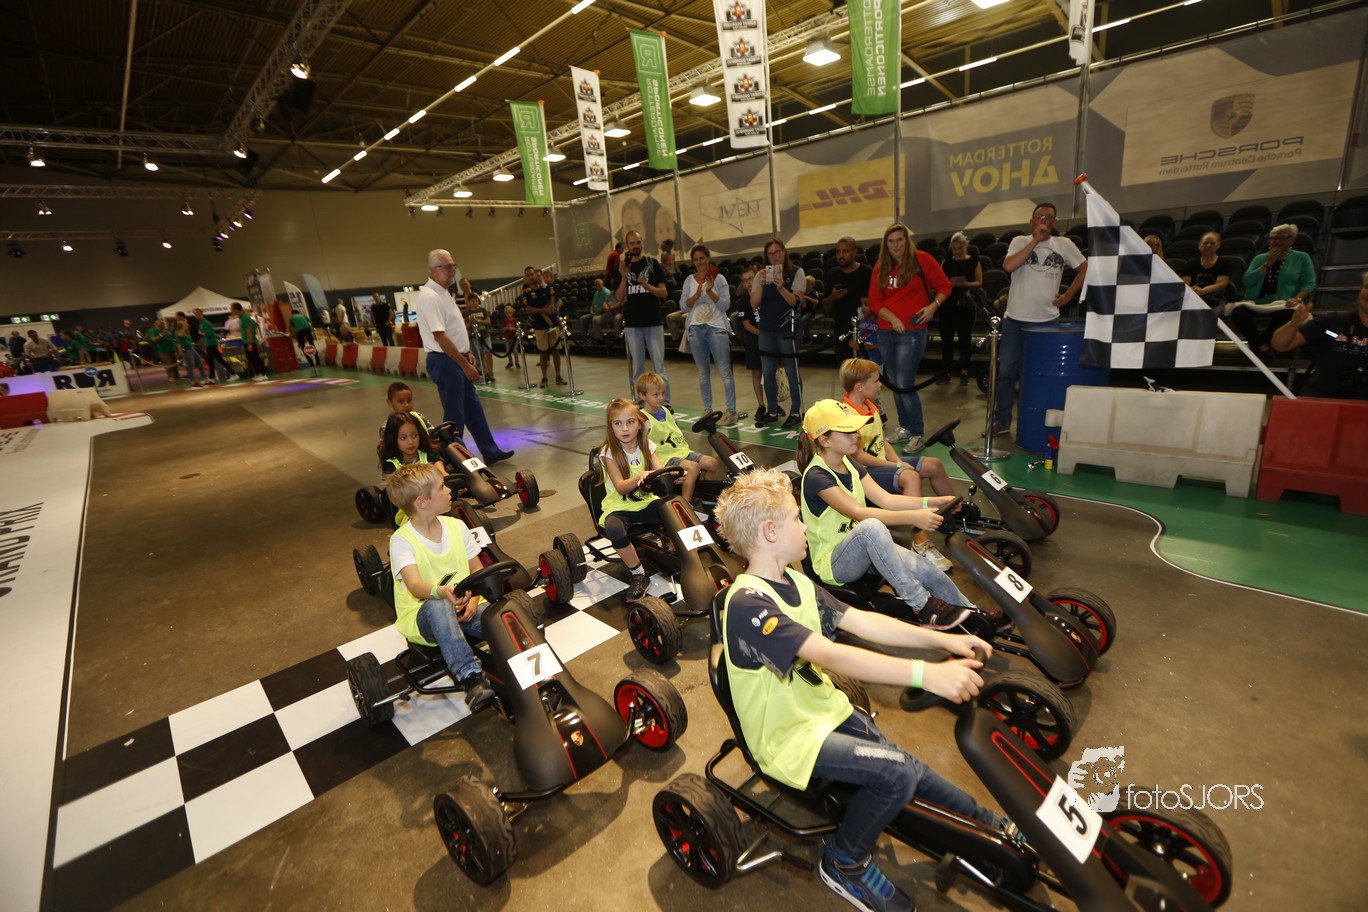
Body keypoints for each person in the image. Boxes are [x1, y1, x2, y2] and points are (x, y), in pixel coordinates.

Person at [713, 466, 1006, 912]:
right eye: (796, 518)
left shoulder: (796, 582)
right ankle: (843, 860)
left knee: (906, 765)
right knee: (895, 774)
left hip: (822, 714)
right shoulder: (748, 605)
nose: (805, 526)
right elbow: (831, 655)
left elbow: (863, 621)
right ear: (770, 531)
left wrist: (942, 639)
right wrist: (926, 675)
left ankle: (989, 827)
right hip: (787, 739)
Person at [798, 399, 973, 630]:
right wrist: (914, 517)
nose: (856, 435)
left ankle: (973, 616)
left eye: (855, 429)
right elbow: (859, 512)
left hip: (861, 549)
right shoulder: (816, 477)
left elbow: (886, 500)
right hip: (833, 564)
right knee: (871, 527)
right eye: (848, 431)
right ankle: (921, 605)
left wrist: (933, 501)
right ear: (824, 440)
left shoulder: (849, 464)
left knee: (926, 568)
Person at [384, 463, 495, 712]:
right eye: (442, 487)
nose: (449, 491)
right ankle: (470, 677)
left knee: (501, 615)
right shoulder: (402, 540)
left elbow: (477, 569)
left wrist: (474, 600)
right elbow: (415, 586)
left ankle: (525, 657)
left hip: (465, 609)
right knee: (438, 605)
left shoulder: (457, 527)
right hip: (425, 617)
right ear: (422, 502)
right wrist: (443, 592)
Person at [841, 359, 955, 571]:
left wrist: (899, 462)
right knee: (910, 476)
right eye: (876, 381)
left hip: (882, 463)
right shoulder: (847, 414)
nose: (880, 385)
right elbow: (859, 457)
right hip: (866, 471)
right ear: (860, 386)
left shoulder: (870, 406)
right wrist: (895, 467)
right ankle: (920, 543)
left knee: (934, 465)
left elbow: (882, 440)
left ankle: (953, 513)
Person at [995, 202, 1088, 436]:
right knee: (1006, 372)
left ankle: (1038, 421)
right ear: (1032, 222)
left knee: (1040, 374)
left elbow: (1085, 268)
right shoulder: (1020, 241)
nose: (1044, 221)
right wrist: (1035, 240)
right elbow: (1009, 266)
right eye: (1040, 217)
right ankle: (1002, 422)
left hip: (1046, 322)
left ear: (1054, 223)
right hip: (1015, 320)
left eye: (1048, 218)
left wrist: (1068, 295)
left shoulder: (1064, 245)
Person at [415, 249, 514, 464]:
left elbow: (452, 330)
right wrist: (464, 365)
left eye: (454, 265)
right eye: (447, 266)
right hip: (445, 360)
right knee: (455, 415)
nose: (453, 270)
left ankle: (490, 450)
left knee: (473, 409)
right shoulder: (430, 296)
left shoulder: (444, 293)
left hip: (456, 358)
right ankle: (453, 459)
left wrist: (467, 352)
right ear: (433, 270)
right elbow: (440, 337)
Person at [869, 222, 951, 453]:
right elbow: (875, 301)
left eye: (899, 240)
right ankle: (904, 427)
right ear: (886, 244)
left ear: (907, 241)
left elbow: (945, 286)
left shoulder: (922, 260)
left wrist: (933, 307)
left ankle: (917, 433)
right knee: (895, 383)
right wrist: (893, 318)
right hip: (886, 331)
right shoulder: (880, 267)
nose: (895, 245)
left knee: (905, 383)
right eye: (891, 241)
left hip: (912, 331)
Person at [596, 398, 666, 603]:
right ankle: (638, 573)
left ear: (640, 424)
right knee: (614, 527)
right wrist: (640, 476)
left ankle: (679, 554)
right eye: (618, 423)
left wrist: (673, 476)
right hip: (619, 505)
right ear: (611, 427)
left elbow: (660, 472)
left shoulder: (648, 446)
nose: (625, 428)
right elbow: (620, 486)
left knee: (675, 509)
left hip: (646, 501)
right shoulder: (609, 452)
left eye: (630, 422)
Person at [1270, 271, 1368, 398]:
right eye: (1367, 287)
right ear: (1360, 290)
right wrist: (1293, 324)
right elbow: (1279, 345)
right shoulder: (1332, 321)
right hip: (1320, 398)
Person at [1226, 223, 1316, 353]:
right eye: (1273, 238)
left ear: (1291, 240)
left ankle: (1261, 345)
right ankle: (1262, 346)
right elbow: (1247, 281)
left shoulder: (1301, 257)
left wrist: (1297, 298)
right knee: (1238, 313)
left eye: (1281, 238)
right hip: (1256, 302)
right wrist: (1267, 263)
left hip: (1283, 302)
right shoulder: (1259, 258)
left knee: (1288, 314)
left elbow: (1309, 283)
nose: (1276, 241)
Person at [637, 371, 720, 503]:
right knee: (693, 467)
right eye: (656, 395)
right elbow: (642, 447)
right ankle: (685, 504)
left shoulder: (665, 411)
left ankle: (707, 496)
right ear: (642, 395)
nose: (661, 397)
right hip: (665, 458)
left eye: (663, 393)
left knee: (712, 463)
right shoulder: (643, 419)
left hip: (682, 453)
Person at [751, 236, 806, 428]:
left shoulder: (796, 272)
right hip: (766, 330)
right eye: (770, 254)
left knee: (791, 371)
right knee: (768, 372)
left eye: (777, 252)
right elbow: (753, 303)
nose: (774, 256)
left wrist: (781, 287)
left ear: (784, 251)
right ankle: (772, 411)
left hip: (787, 330)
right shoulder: (761, 275)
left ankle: (796, 411)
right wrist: (762, 284)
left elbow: (795, 302)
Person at [681, 243, 737, 426]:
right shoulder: (689, 280)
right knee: (703, 373)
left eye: (702, 258)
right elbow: (683, 306)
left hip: (716, 327)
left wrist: (710, 291)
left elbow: (725, 305)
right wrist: (697, 294)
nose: (699, 262)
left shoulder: (719, 279)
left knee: (724, 371)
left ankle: (731, 411)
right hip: (696, 329)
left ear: (708, 259)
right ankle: (707, 410)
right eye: (696, 259)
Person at [616, 229, 670, 401]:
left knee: (659, 367)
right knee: (638, 367)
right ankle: (641, 402)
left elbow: (663, 292)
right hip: (633, 323)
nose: (635, 246)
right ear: (627, 245)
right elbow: (619, 297)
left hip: (653, 321)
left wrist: (647, 286)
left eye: (638, 242)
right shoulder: (623, 267)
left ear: (642, 243)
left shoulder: (652, 264)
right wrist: (623, 277)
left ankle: (665, 402)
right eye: (632, 243)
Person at [939, 232, 983, 385]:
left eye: (960, 248)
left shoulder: (974, 261)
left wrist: (964, 284)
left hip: (965, 303)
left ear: (965, 246)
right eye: (954, 248)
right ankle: (946, 371)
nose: (957, 251)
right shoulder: (946, 262)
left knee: (965, 339)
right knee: (946, 339)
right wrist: (949, 284)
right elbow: (939, 281)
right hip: (948, 304)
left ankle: (964, 371)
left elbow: (979, 282)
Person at [828, 237, 873, 366]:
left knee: (865, 370)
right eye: (838, 252)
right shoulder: (833, 274)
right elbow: (825, 304)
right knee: (846, 370)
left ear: (855, 252)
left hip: (865, 329)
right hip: (841, 330)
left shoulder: (866, 272)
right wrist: (833, 297)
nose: (841, 255)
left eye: (845, 251)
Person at [734, 263, 766, 420]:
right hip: (753, 341)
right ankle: (761, 405)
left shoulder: (765, 295)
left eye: (751, 278)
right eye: (745, 280)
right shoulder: (743, 302)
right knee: (756, 372)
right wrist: (763, 334)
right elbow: (747, 325)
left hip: (770, 339)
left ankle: (774, 403)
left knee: (770, 372)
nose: (748, 282)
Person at [1181, 232, 1234, 311]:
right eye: (1205, 243)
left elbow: (1221, 285)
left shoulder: (1225, 263)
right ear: (1199, 245)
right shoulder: (1190, 264)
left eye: (1212, 243)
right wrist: (1193, 291)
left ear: (1218, 245)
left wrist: (1202, 291)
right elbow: (1185, 284)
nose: (1208, 245)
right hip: (1193, 297)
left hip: (1215, 298)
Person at [230, 303, 269, 379]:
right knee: (251, 358)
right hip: (246, 341)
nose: (231, 310)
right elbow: (255, 324)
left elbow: (249, 331)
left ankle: (263, 374)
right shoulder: (242, 318)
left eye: (231, 309)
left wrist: (250, 343)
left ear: (236, 309)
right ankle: (258, 373)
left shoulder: (245, 318)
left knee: (255, 357)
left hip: (250, 341)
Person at [194, 308, 227, 383]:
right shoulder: (201, 323)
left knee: (213, 361)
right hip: (209, 343)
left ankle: (211, 378)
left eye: (198, 314)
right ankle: (212, 377)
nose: (196, 315)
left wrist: (201, 333)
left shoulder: (205, 323)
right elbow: (211, 333)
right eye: (195, 314)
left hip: (211, 344)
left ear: (202, 313)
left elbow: (209, 334)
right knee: (216, 360)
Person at [175, 317, 207, 387]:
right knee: (190, 367)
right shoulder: (179, 333)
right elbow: (181, 336)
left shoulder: (187, 333)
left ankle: (205, 379)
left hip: (192, 350)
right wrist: (184, 322)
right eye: (186, 325)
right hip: (187, 352)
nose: (188, 325)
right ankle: (192, 382)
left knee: (200, 365)